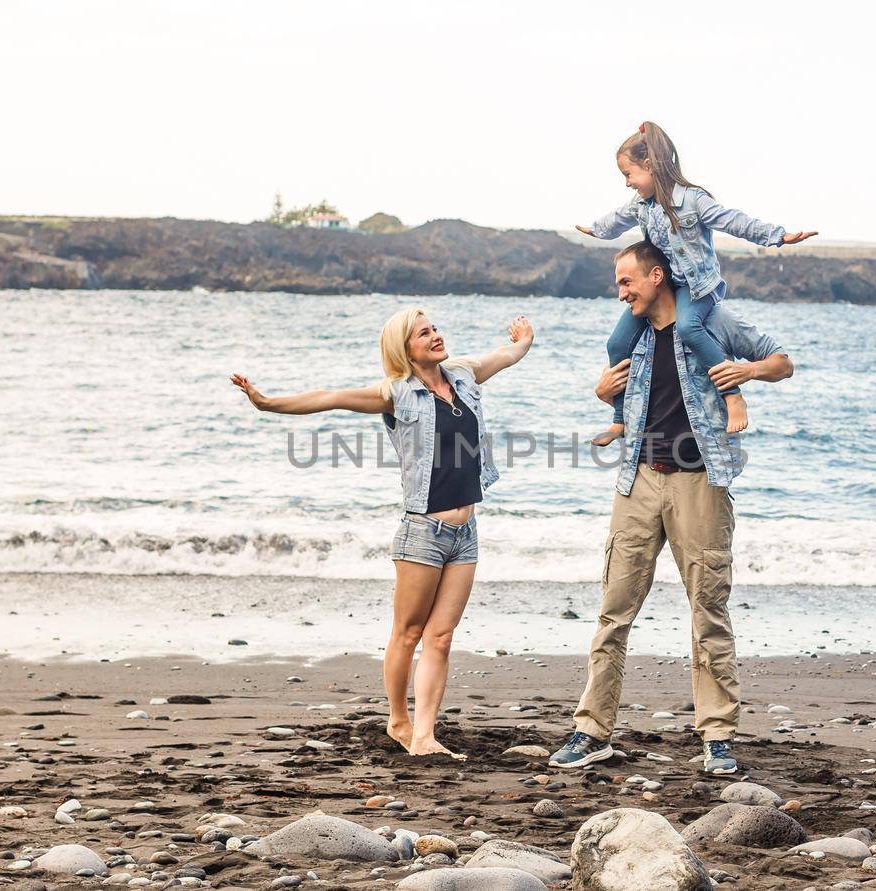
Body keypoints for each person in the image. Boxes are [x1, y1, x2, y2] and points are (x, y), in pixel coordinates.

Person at [230, 309, 534, 758]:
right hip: (422, 532)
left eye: (435, 328)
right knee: (408, 633)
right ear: (404, 348)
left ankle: (426, 736)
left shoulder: (464, 376)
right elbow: (330, 397)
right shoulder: (397, 395)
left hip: (466, 531)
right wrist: (267, 402)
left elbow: (504, 356)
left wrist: (524, 340)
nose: (435, 335)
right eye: (423, 333)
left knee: (442, 637)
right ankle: (398, 719)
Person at [549, 241, 792, 776]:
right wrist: (601, 392)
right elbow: (616, 392)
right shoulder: (631, 333)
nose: (621, 292)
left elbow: (783, 362)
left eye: (627, 281)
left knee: (708, 612)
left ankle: (718, 736)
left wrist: (745, 375)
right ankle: (591, 732)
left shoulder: (712, 320)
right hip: (636, 479)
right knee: (614, 611)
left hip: (699, 483)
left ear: (657, 276)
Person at [578, 120, 815, 446]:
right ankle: (619, 419)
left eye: (629, 174)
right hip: (665, 287)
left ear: (649, 165)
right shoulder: (641, 205)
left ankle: (732, 395)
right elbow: (617, 218)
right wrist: (595, 229)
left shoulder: (692, 200)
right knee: (616, 345)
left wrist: (778, 236)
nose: (628, 183)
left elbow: (732, 220)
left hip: (696, 287)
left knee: (689, 327)